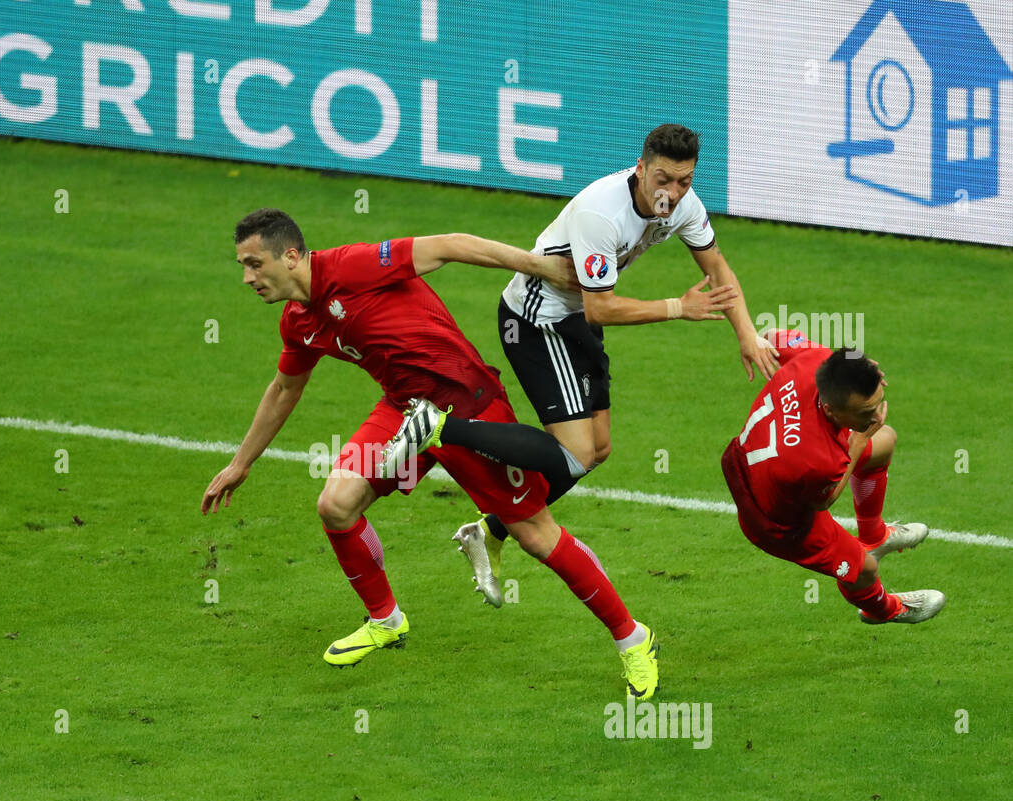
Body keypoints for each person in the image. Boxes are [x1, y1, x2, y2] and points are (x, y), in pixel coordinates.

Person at [201, 208, 661, 699]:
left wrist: (541, 266)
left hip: (469, 408)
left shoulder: (353, 266)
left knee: (535, 535)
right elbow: (282, 390)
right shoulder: (298, 322)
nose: (248, 277)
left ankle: (634, 639)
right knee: (336, 505)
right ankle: (385, 620)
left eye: (254, 264)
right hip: (404, 413)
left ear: (290, 256)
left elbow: (450, 243)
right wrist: (240, 463)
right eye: (242, 267)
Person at [387, 124, 780, 607]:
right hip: (538, 320)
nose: (672, 193)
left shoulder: (684, 206)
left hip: (574, 317)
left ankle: (488, 528)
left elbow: (717, 270)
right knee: (573, 452)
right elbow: (602, 309)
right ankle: (439, 425)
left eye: (684, 181)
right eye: (663, 179)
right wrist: (679, 307)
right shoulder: (602, 213)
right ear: (640, 169)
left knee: (598, 450)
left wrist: (746, 333)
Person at [719, 330, 943, 624]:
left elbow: (772, 336)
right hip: (775, 520)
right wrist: (858, 443)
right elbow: (825, 500)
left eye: (878, 402)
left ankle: (874, 535)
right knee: (862, 569)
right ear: (830, 409)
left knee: (885, 440)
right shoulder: (817, 461)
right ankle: (885, 610)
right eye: (866, 411)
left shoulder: (817, 361)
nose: (877, 416)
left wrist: (857, 365)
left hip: (755, 462)